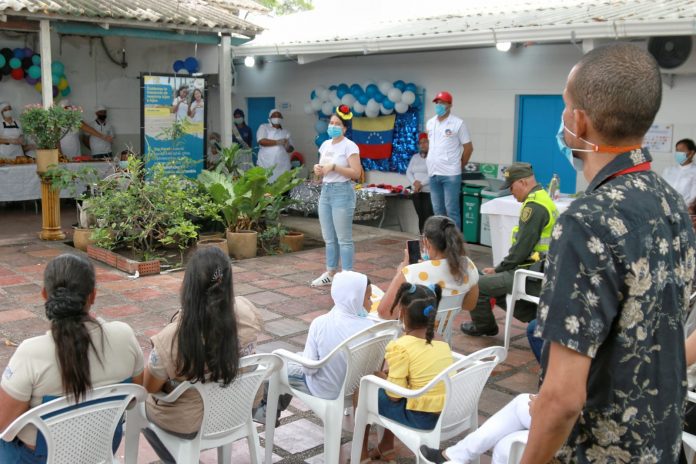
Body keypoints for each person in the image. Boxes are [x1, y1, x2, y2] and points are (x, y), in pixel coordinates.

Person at [523, 42, 696, 462]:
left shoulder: (587, 221)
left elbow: (563, 398)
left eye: (565, 108)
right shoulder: (670, 202)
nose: (562, 120)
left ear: (579, 119)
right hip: (661, 441)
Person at [0, 253, 144, 462]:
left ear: (44, 295)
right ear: (93, 295)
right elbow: (132, 400)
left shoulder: (31, 353)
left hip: (40, 457)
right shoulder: (124, 336)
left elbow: (4, 423)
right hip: (101, 448)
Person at [142, 246, 262, 463]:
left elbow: (149, 387)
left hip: (191, 423)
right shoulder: (246, 311)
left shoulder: (171, 339)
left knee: (138, 410)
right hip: (238, 410)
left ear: (188, 286)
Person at [461, 163, 558, 337]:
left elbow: (521, 249)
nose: (511, 192)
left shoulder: (534, 207)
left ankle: (485, 327)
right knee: (491, 283)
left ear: (522, 182)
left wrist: (499, 269)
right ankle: (538, 320)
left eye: (511, 187)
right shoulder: (541, 198)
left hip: (531, 273)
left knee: (475, 284)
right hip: (536, 268)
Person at [359, 283, 452, 463]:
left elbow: (394, 396)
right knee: (400, 384)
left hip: (420, 418)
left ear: (401, 312)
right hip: (445, 413)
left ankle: (361, 454)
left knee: (363, 391)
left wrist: (383, 378)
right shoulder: (442, 342)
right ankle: (386, 448)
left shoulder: (401, 346)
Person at [287, 271, 374, 399]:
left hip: (323, 390)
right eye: (368, 298)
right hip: (355, 391)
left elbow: (309, 369)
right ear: (354, 298)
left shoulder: (320, 323)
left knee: (276, 366)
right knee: (296, 358)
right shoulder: (370, 327)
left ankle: (266, 413)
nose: (371, 303)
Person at [376, 215, 479, 320]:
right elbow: (469, 305)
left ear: (426, 242)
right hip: (442, 333)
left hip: (413, 334)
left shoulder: (411, 272)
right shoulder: (468, 265)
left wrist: (401, 271)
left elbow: (384, 313)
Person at [310, 106, 362, 287]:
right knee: (329, 237)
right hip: (326, 192)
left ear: (345, 128)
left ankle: (347, 275)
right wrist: (317, 170)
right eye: (331, 123)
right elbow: (320, 174)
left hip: (342, 192)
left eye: (337, 124)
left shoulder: (350, 146)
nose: (333, 126)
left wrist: (334, 167)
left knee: (344, 238)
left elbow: (356, 173)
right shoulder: (325, 145)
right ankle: (330, 272)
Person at [426, 91, 473, 228]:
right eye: (437, 103)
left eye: (442, 103)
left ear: (450, 105)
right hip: (433, 172)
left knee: (451, 210)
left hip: (451, 173)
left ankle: (455, 243)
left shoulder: (458, 123)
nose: (439, 105)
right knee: (437, 210)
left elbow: (468, 148)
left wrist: (460, 165)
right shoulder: (430, 123)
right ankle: (440, 241)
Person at [407, 132, 434, 233]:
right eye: (420, 143)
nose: (423, 145)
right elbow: (408, 172)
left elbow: (433, 173)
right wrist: (414, 183)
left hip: (428, 192)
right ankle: (422, 239)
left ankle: (429, 239)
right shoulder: (415, 157)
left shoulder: (433, 157)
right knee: (421, 216)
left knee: (428, 217)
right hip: (416, 192)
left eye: (425, 142)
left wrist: (421, 184)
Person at [257, 109, 294, 183]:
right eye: (274, 116)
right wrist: (278, 142)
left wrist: (287, 146)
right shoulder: (264, 127)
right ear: (270, 118)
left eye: (279, 116)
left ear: (282, 119)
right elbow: (261, 141)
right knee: (267, 187)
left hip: (282, 165)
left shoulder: (285, 132)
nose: (277, 118)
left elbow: (291, 149)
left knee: (282, 186)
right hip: (266, 163)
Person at [662, 138, 696, 206]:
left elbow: (693, 197)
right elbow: (660, 188)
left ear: (691, 153)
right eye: (677, 150)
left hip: (684, 209)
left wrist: (680, 207)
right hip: (665, 208)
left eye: (682, 150)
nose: (678, 153)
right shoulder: (668, 170)